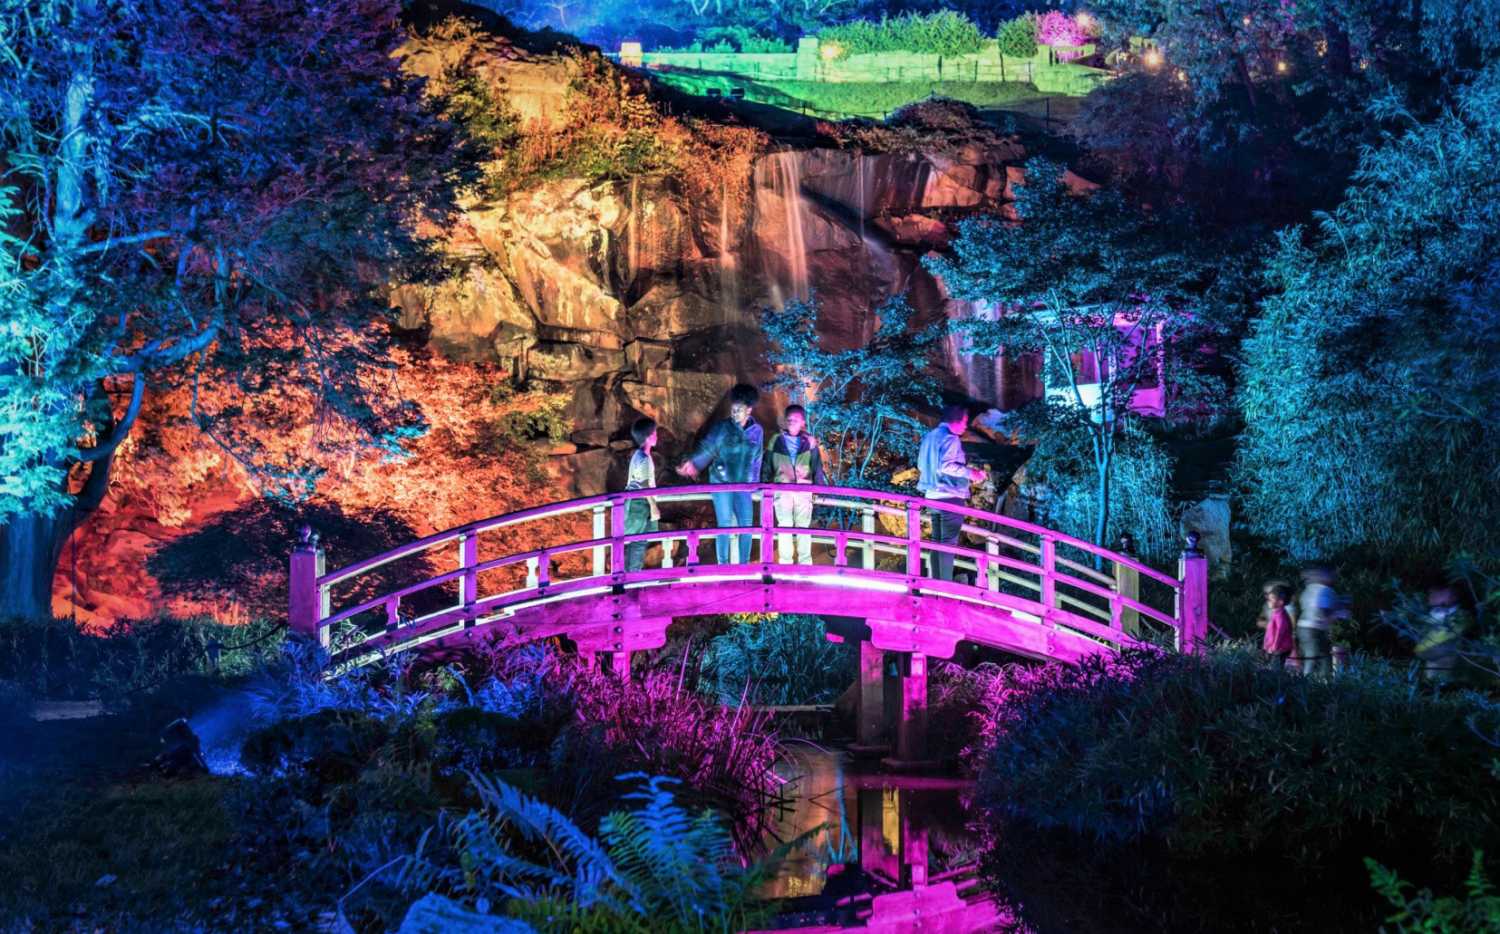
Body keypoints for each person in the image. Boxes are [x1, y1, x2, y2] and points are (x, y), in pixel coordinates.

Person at [678, 384, 764, 564]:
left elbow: (757, 459)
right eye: (732, 410)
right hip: (722, 481)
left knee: (746, 524)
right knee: (724, 523)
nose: (734, 413)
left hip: (743, 484)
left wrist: (754, 484)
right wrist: (693, 463)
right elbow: (708, 447)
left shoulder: (757, 431)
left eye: (738, 410)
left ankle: (744, 565)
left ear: (749, 410)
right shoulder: (722, 427)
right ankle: (723, 564)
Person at [916, 403, 985, 581]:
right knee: (947, 544)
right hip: (949, 497)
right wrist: (972, 473)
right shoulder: (951, 439)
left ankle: (937, 582)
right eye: (964, 421)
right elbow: (947, 466)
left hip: (931, 496)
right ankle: (945, 585)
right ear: (954, 420)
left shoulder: (930, 436)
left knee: (937, 542)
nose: (965, 426)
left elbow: (921, 465)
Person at [765, 404, 826, 565]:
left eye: (796, 420)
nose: (792, 422)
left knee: (803, 527)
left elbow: (816, 465)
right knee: (784, 526)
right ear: (785, 421)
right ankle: (785, 563)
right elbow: (767, 464)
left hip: (804, 488)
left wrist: (819, 488)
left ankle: (805, 564)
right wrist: (764, 485)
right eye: (789, 419)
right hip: (782, 488)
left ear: (802, 422)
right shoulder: (776, 440)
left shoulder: (810, 441)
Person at [623, 417, 660, 572]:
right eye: (655, 433)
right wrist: (653, 507)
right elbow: (645, 486)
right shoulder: (644, 458)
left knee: (634, 545)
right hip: (640, 505)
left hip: (634, 503)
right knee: (637, 545)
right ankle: (632, 581)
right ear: (648, 437)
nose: (657, 436)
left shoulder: (638, 455)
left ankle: (627, 580)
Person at [1416, 586, 1471, 685]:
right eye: (1431, 594)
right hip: (1433, 675)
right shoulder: (1433, 614)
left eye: (1437, 593)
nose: (1431, 597)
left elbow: (1438, 648)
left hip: (1453, 676)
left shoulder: (1459, 617)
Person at [1296, 565, 1339, 676]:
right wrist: (1337, 615)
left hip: (1303, 627)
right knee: (1315, 656)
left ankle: (1319, 681)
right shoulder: (1325, 590)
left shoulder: (1309, 589)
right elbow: (1323, 610)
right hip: (1315, 628)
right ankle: (1310, 683)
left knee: (1316, 655)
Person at [1259, 581, 1295, 669]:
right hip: (1274, 648)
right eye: (1268, 598)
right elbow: (1271, 631)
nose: (1268, 601)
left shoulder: (1280, 614)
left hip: (1280, 648)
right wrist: (1266, 645)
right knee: (1271, 667)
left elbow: (1280, 631)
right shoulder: (1276, 613)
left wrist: (1275, 646)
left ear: (1280, 602)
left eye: (1272, 598)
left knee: (1276, 669)